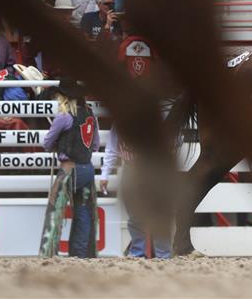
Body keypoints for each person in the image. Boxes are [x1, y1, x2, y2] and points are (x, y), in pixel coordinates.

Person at [40, 79, 100, 258]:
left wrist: (60, 144)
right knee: (83, 213)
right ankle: (81, 254)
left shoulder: (63, 117)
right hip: (87, 169)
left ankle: (49, 253)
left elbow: (47, 143)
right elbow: (95, 145)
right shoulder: (90, 116)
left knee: (55, 211)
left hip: (69, 169)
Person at [101, 124, 173, 258]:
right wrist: (105, 174)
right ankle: (140, 252)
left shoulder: (150, 120)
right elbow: (111, 149)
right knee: (135, 215)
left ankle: (162, 254)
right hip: (132, 168)